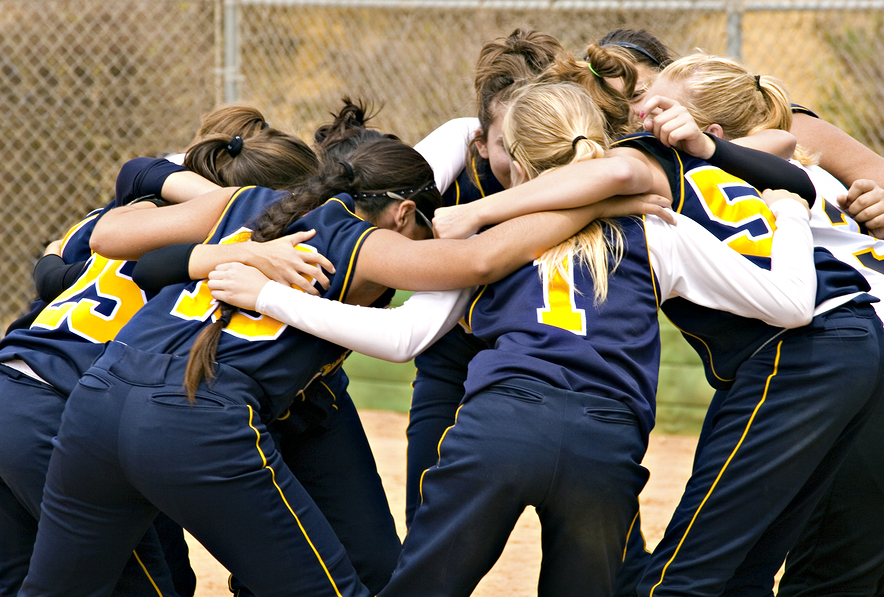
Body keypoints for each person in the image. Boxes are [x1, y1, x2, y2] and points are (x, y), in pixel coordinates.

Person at [204, 74, 819, 597]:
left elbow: (401, 336)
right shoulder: (658, 228)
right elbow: (791, 305)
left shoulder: (486, 243)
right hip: (604, 448)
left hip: (497, 431)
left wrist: (269, 297)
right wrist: (791, 211)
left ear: (517, 165)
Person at [0, 103, 320, 597]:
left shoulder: (125, 213)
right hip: (60, 410)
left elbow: (51, 272)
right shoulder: (221, 247)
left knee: (30, 580)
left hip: (2, 381)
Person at [642, 51, 884, 597]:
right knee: (778, 561)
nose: (642, 115)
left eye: (652, 101)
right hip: (855, 337)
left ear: (711, 124)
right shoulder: (790, 161)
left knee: (701, 570)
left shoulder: (681, 165)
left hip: (818, 345)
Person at [404, 27, 564, 527]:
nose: (525, 156)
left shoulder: (582, 168)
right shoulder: (453, 165)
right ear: (480, 139)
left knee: (604, 532)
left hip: (552, 362)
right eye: (506, 143)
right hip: (453, 354)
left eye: (540, 136)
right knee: (427, 516)